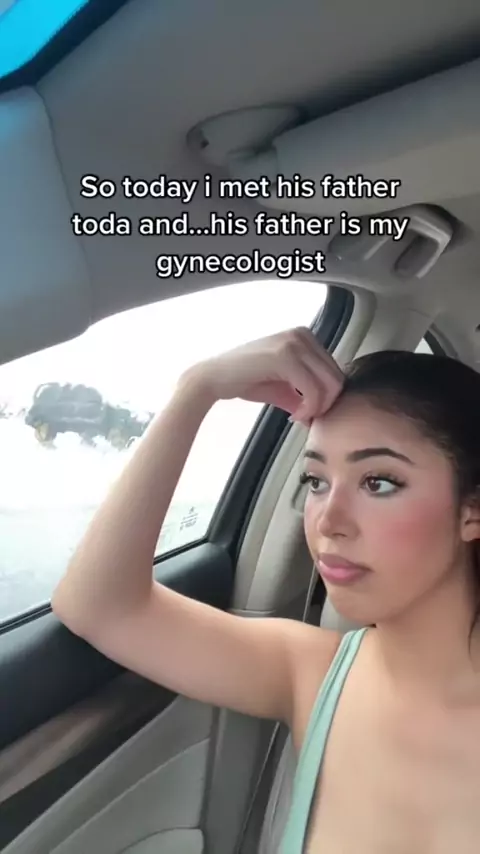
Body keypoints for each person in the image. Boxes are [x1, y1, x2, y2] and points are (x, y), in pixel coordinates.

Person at [52, 327, 480, 853]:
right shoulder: (310, 672)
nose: (328, 521)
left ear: (472, 509)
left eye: (379, 482)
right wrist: (199, 387)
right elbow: (98, 604)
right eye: (316, 481)